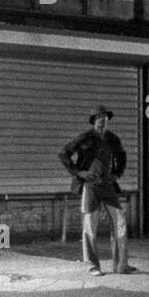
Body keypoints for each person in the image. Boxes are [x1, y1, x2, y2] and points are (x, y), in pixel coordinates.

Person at [59, 105, 135, 276]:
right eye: (99, 117)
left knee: (120, 223)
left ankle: (121, 265)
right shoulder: (84, 138)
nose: (102, 119)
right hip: (90, 187)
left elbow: (122, 156)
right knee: (90, 226)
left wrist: (117, 174)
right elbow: (63, 154)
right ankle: (92, 265)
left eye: (105, 117)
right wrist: (79, 172)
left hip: (108, 187)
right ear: (93, 120)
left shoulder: (113, 138)